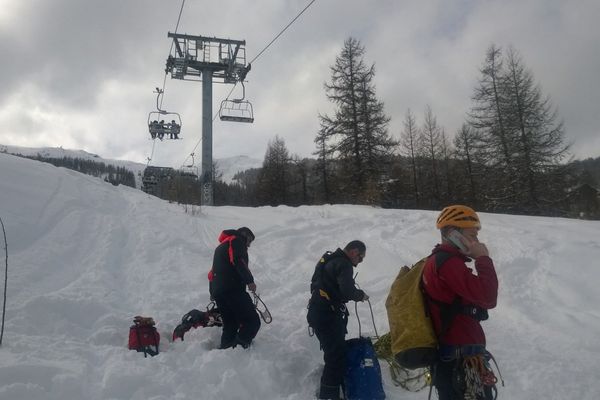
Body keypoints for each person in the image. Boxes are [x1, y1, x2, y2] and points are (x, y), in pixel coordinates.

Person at [422, 205, 499, 400]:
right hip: (461, 363)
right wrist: (482, 258)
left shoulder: (444, 262)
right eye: (472, 235)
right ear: (452, 233)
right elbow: (488, 297)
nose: (477, 241)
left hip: (459, 361)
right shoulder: (447, 263)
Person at [307, 240, 370, 400]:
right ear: (354, 252)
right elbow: (347, 290)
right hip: (326, 315)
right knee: (336, 356)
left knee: (334, 352)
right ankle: (328, 395)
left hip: (319, 311)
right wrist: (360, 295)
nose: (359, 263)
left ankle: (332, 388)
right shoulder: (344, 264)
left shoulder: (329, 258)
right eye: (361, 258)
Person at [209, 227, 260, 349]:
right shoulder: (237, 240)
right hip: (232, 288)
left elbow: (211, 273)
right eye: (249, 241)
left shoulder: (221, 247)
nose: (249, 245)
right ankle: (238, 348)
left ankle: (225, 351)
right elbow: (238, 261)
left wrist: (212, 292)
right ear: (245, 235)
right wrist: (250, 281)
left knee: (230, 324)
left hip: (219, 291)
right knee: (252, 321)